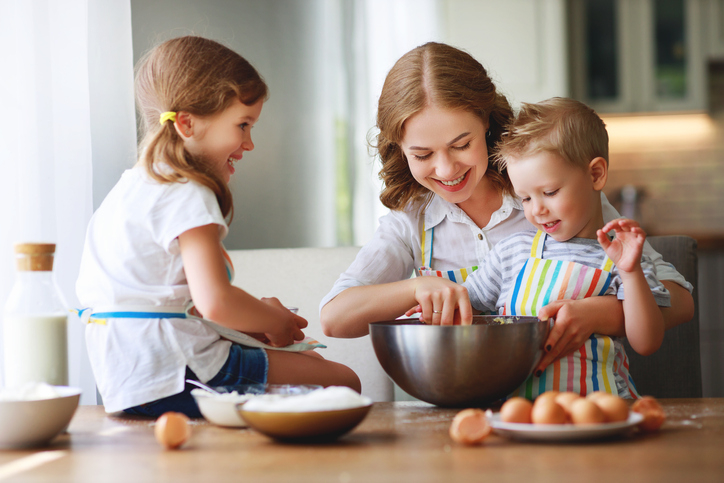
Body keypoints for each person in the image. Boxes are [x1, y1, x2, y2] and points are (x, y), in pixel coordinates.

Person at [319, 42, 694, 377]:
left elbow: (678, 300)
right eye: (422, 154)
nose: (447, 170)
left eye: (461, 144)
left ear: (484, 122)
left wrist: (600, 313)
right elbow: (335, 319)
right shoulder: (412, 219)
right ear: (400, 148)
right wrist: (418, 286)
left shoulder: (551, 192)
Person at [76, 36, 360, 418]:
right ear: (188, 124)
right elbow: (216, 301)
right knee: (343, 382)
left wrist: (251, 317)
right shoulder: (186, 190)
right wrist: (274, 322)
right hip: (180, 367)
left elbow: (177, 299)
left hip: (128, 377)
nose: (249, 143)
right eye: (243, 125)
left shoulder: (129, 191)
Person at [409, 97, 668, 398]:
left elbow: (647, 342)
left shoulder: (623, 259)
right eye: (526, 199)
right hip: (520, 417)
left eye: (549, 192)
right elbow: (466, 304)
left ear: (595, 174)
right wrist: (433, 310)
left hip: (601, 413)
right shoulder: (513, 252)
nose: (537, 210)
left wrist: (632, 272)